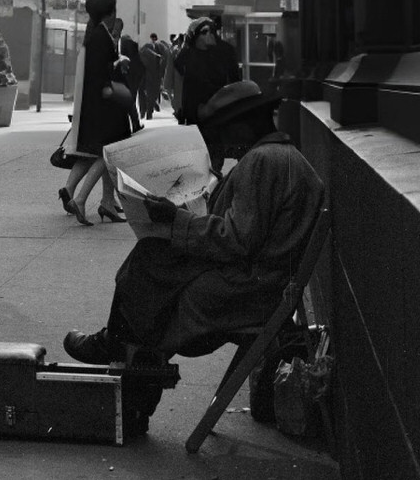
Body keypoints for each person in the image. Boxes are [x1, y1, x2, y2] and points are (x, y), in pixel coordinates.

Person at [63, 81, 325, 404]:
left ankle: (117, 345)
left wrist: (176, 219)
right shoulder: (282, 157)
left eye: (227, 132)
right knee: (152, 265)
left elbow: (235, 240)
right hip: (258, 280)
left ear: (244, 125)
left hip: (244, 289)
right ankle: (118, 343)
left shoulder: (262, 162)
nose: (225, 143)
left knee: (149, 270)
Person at [61, 0, 134, 226]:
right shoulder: (101, 37)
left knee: (101, 152)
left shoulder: (93, 33)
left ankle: (106, 202)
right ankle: (81, 199)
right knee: (109, 152)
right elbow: (100, 73)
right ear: (110, 12)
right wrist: (116, 71)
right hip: (105, 107)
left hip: (95, 106)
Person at [175, 17, 242, 125]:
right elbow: (183, 74)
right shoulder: (188, 54)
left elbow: (235, 78)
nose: (209, 34)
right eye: (204, 32)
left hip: (220, 104)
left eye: (211, 30)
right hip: (198, 107)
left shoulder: (225, 51)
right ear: (195, 36)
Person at [138, 33, 165, 120]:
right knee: (152, 93)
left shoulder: (145, 48)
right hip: (153, 75)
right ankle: (150, 110)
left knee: (146, 93)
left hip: (147, 75)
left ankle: (145, 111)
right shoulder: (158, 48)